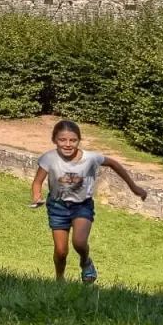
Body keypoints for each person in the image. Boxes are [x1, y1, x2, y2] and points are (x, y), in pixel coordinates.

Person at [29, 119, 148, 283]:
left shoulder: (90, 158)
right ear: (54, 140)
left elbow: (114, 163)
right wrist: (36, 195)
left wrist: (134, 188)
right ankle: (59, 279)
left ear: (79, 140)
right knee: (61, 251)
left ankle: (85, 261)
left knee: (79, 242)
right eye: (62, 140)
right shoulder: (49, 158)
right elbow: (37, 182)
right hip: (57, 206)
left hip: (82, 206)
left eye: (73, 140)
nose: (68, 144)